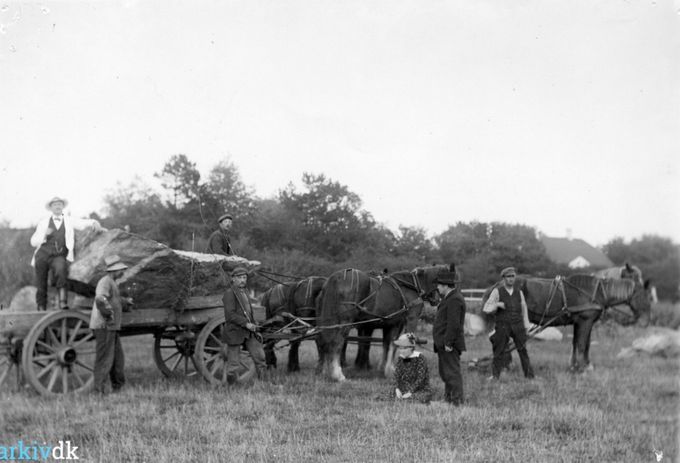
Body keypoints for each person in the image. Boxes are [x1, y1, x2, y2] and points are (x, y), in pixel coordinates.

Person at [30, 196, 101, 311]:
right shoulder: (43, 223)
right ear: (51, 208)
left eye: (60, 204)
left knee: (61, 270)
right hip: (42, 255)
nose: (57, 206)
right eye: (55, 205)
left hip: (58, 255)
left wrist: (94, 222)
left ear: (62, 207)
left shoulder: (68, 220)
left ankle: (63, 303)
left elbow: (82, 222)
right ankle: (41, 306)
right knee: (41, 281)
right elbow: (33, 241)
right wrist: (44, 235)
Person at [483, 267, 535, 380]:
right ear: (504, 278)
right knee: (499, 351)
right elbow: (486, 308)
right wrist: (496, 305)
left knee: (523, 351)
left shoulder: (519, 293)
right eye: (508, 276)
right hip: (503, 325)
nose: (511, 279)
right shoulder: (497, 291)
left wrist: (526, 326)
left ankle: (530, 376)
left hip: (518, 325)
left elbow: (524, 310)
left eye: (513, 276)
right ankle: (495, 376)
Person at [89, 255, 130, 394]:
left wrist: (124, 302)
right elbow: (100, 299)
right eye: (121, 270)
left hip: (111, 327)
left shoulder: (111, 282)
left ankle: (118, 387)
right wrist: (109, 317)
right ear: (115, 270)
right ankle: (98, 391)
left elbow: (112, 300)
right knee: (104, 359)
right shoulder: (105, 282)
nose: (123, 272)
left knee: (118, 358)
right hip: (104, 326)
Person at [222, 266, 267, 385]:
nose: (243, 280)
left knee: (260, 358)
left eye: (244, 278)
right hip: (235, 332)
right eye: (240, 278)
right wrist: (246, 324)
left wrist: (254, 324)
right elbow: (230, 315)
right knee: (233, 365)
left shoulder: (245, 292)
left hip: (249, 332)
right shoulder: (229, 294)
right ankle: (230, 389)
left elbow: (249, 311)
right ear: (233, 279)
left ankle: (263, 385)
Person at [432, 264, 466, 405]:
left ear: (446, 285)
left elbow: (454, 324)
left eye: (439, 285)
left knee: (452, 372)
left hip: (449, 344)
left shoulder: (455, 299)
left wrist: (448, 342)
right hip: (443, 343)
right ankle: (448, 399)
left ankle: (456, 401)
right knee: (446, 373)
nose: (437, 288)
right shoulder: (449, 298)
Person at [380, 333, 432, 404]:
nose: (401, 351)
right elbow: (396, 376)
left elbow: (421, 378)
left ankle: (409, 398)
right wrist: (397, 389)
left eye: (404, 348)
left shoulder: (420, 358)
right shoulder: (401, 358)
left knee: (418, 398)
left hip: (419, 389)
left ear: (411, 348)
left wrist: (410, 392)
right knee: (385, 396)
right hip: (403, 388)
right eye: (400, 348)